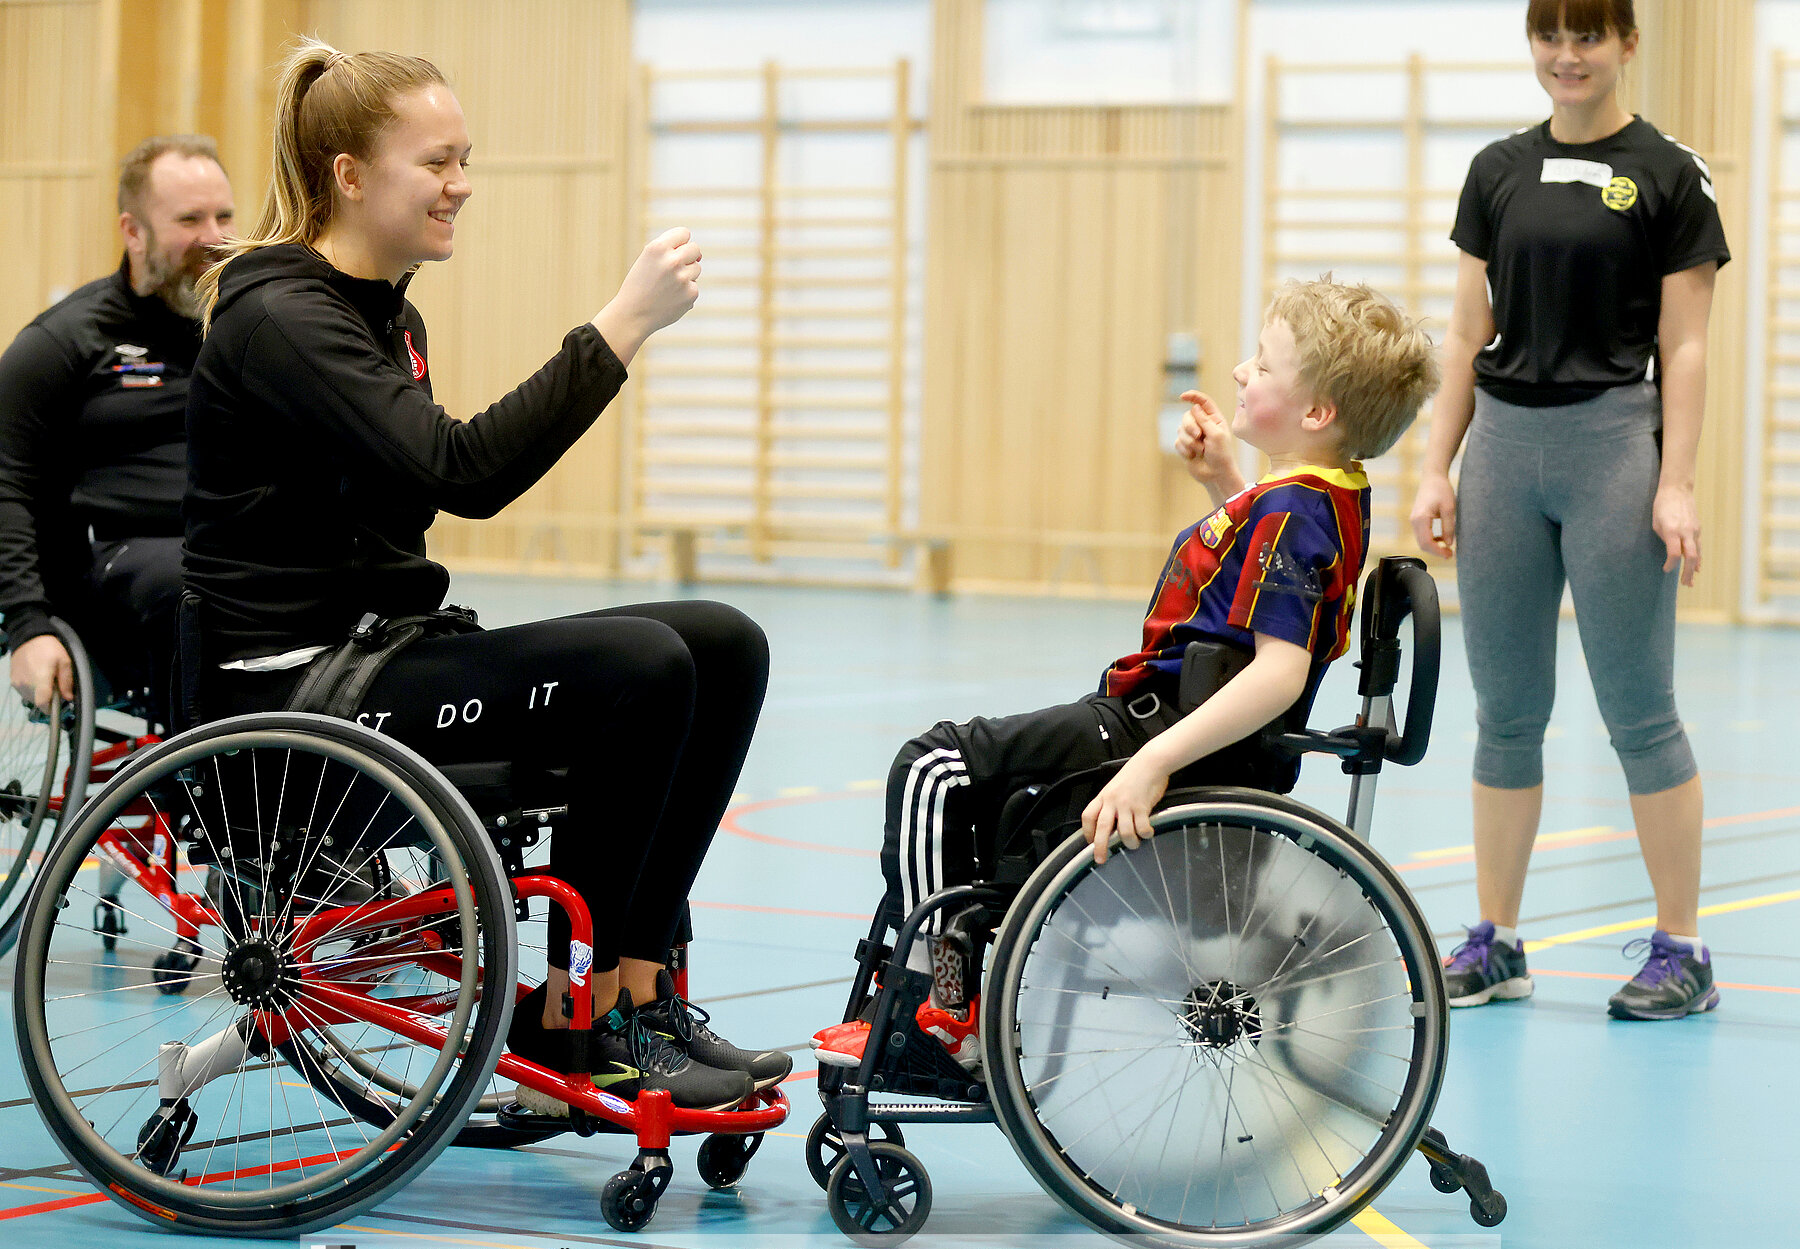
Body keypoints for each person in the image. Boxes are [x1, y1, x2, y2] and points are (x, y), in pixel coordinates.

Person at [186, 39, 789, 1113]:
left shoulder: (387, 316)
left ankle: (635, 991)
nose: (461, 182)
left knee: (723, 639)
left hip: (379, 656)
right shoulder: (281, 316)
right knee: (640, 666)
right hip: (289, 696)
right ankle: (575, 1020)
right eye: (438, 161)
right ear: (351, 176)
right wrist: (620, 327)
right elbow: (464, 472)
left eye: (466, 156)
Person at [813, 277, 1440, 1068]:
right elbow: (1266, 599)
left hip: (1156, 728)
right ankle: (959, 983)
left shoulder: (1295, 512)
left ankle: (933, 1012)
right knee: (973, 794)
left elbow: (1279, 670)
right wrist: (1222, 479)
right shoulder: (1322, 494)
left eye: (1263, 364)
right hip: (1156, 715)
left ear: (1317, 413)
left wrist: (1151, 763)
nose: (1242, 372)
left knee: (933, 767)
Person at [1408, 0, 1729, 1020]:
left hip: (1610, 451)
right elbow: (1465, 334)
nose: (1567, 55)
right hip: (1504, 451)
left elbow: (1685, 346)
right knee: (1505, 713)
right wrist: (1435, 467)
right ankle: (1495, 938)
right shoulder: (1497, 171)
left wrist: (1673, 480)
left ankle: (1684, 946)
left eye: (1588, 35)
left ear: (1627, 43)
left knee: (1640, 712)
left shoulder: (1671, 176)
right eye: (1550, 34)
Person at [0, 136, 235, 720]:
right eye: (190, 219)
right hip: (115, 566)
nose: (215, 237)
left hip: (223, 548)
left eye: (224, 216)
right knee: (197, 588)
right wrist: (26, 624)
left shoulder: (242, 329)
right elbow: (6, 480)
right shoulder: (63, 342)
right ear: (133, 231)